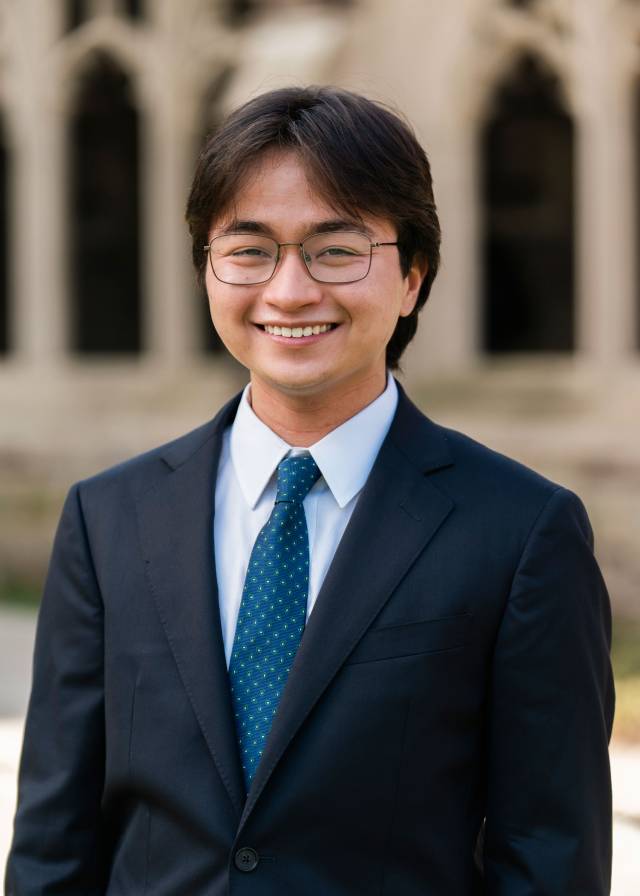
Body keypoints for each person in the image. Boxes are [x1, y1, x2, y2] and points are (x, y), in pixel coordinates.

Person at [6, 86, 614, 896]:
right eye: (249, 250)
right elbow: (54, 845)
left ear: (412, 280)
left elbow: (549, 860)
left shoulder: (521, 533)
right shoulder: (108, 519)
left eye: (336, 249)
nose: (289, 292)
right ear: (206, 272)